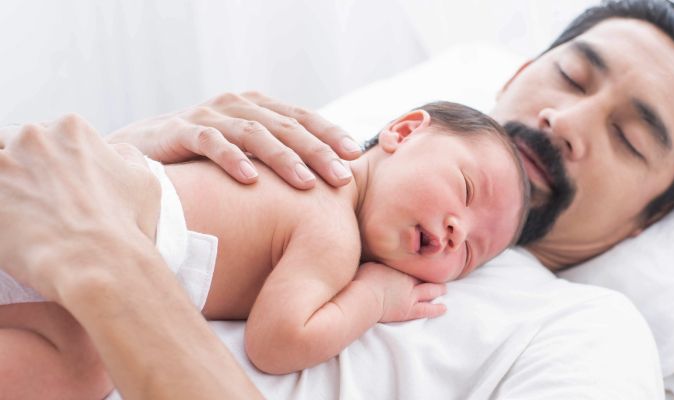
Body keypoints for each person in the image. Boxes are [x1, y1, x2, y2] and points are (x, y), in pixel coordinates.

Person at [1, 0, 674, 398]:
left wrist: (108, 267)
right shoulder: (316, 160)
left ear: (651, 219)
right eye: (573, 77)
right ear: (518, 72)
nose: (567, 125)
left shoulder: (591, 333)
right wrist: (133, 148)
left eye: (631, 139)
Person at [0, 103, 528, 397]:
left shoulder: (294, 159)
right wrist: (372, 299)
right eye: (464, 188)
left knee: (75, 357)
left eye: (470, 255)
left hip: (63, 213)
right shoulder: (332, 230)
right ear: (404, 131)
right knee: (81, 373)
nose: (459, 232)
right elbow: (277, 341)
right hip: (96, 217)